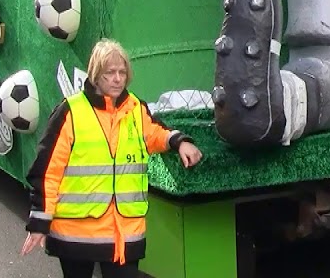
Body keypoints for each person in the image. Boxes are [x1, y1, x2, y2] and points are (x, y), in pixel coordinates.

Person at [22, 40, 202, 278]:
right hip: (77, 234)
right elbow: (48, 171)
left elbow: (156, 132)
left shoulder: (136, 109)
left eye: (122, 72)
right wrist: (39, 222)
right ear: (96, 75)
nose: (118, 79)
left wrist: (180, 141)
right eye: (110, 73)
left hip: (124, 233)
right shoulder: (70, 111)